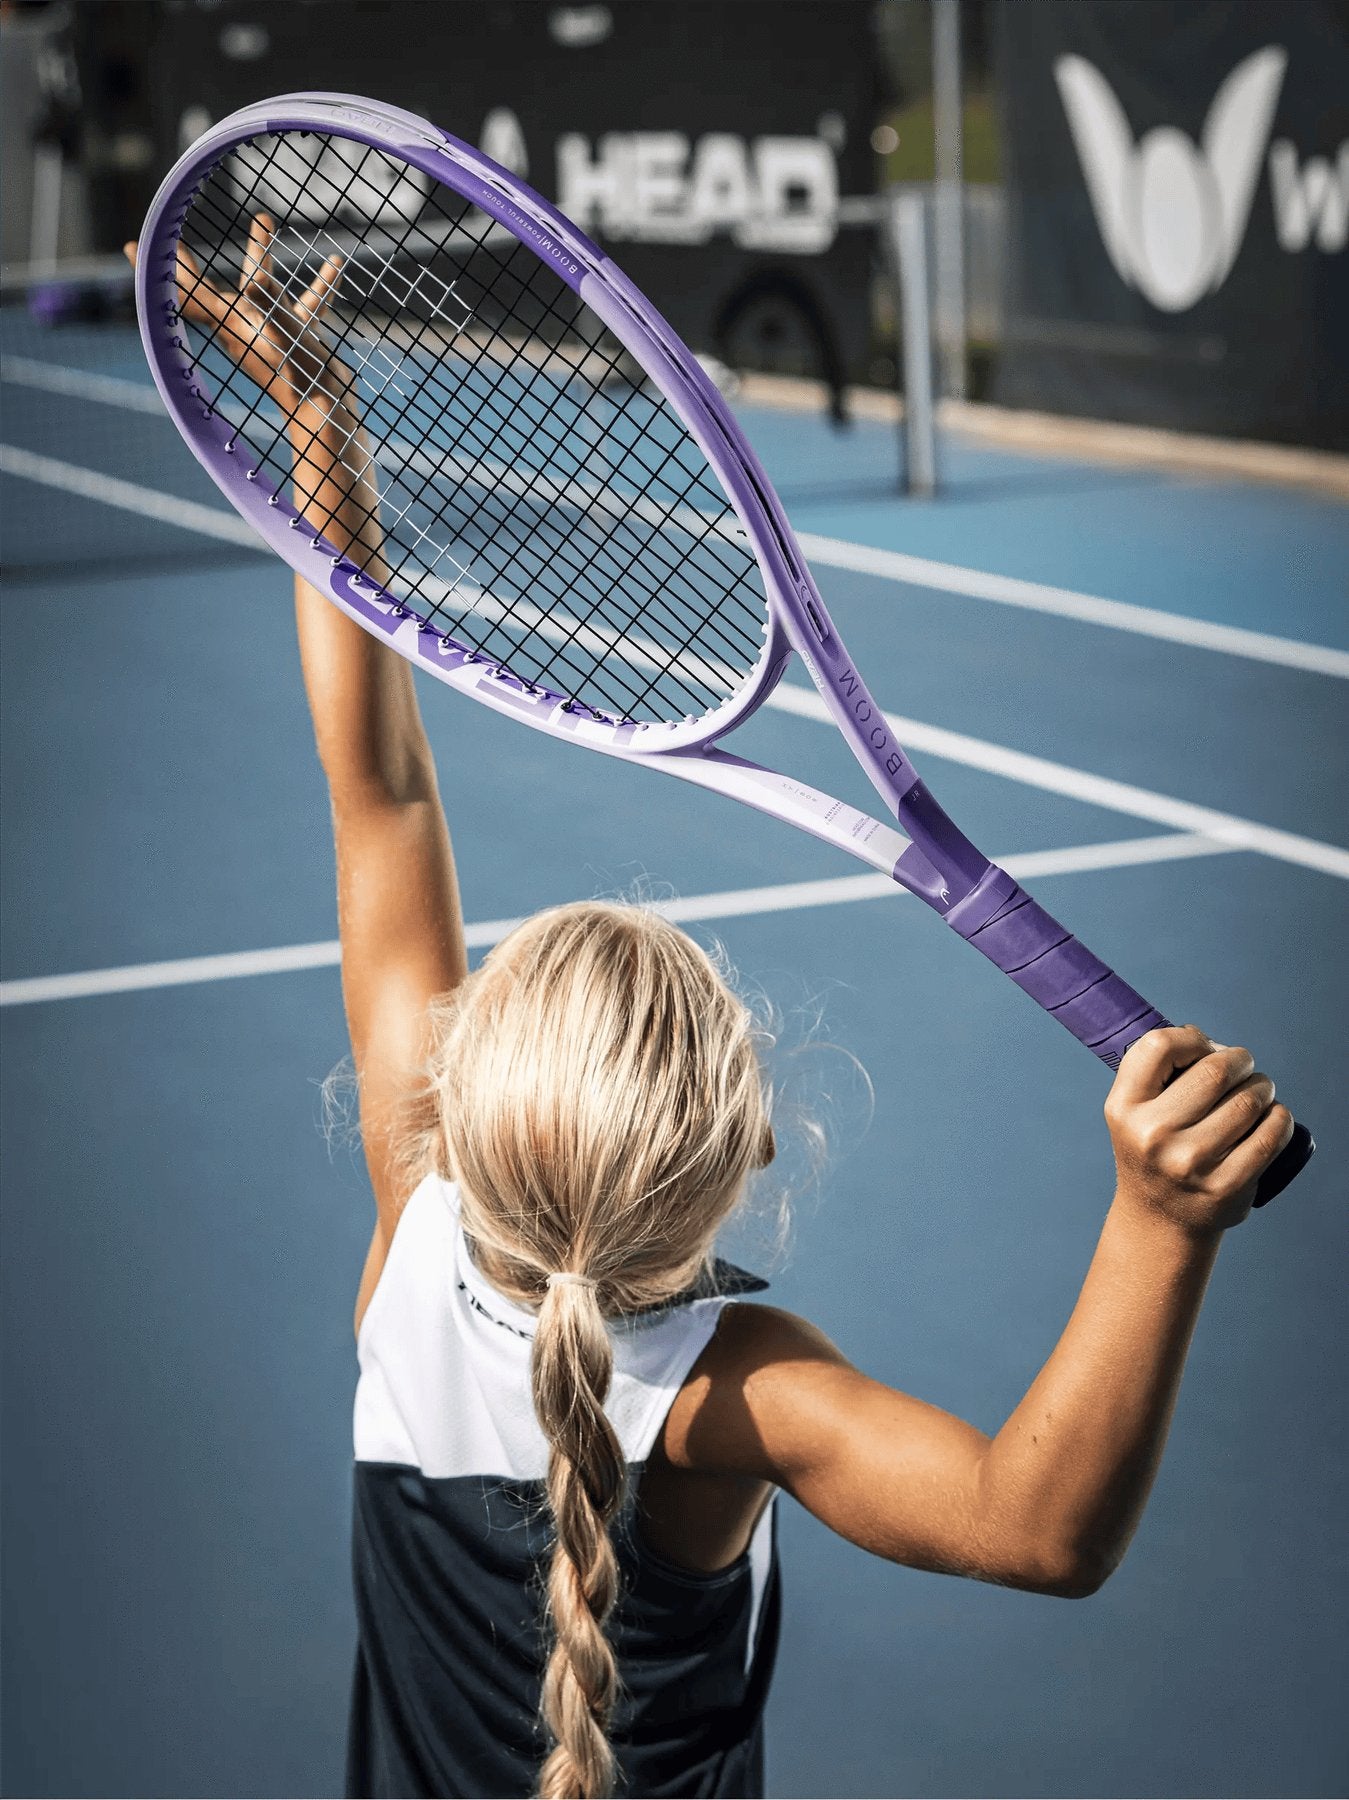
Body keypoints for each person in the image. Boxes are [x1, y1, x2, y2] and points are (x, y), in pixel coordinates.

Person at [128, 224, 1294, 1800]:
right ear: (744, 1143)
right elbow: (1034, 1529)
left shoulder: (416, 1239)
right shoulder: (739, 1392)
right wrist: (1160, 1224)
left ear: (454, 1103)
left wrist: (316, 432)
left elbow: (380, 802)